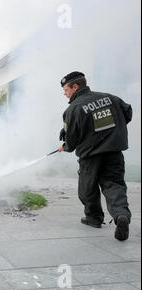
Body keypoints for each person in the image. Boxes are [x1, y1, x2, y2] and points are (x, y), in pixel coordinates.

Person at [58, 71, 132, 241]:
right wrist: (111, 131)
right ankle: (121, 215)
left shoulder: (73, 108)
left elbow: (73, 139)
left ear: (75, 86)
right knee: (114, 185)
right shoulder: (110, 98)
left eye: (65, 89)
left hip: (90, 156)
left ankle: (94, 218)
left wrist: (65, 146)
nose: (64, 93)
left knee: (87, 189)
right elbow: (127, 113)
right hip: (114, 152)